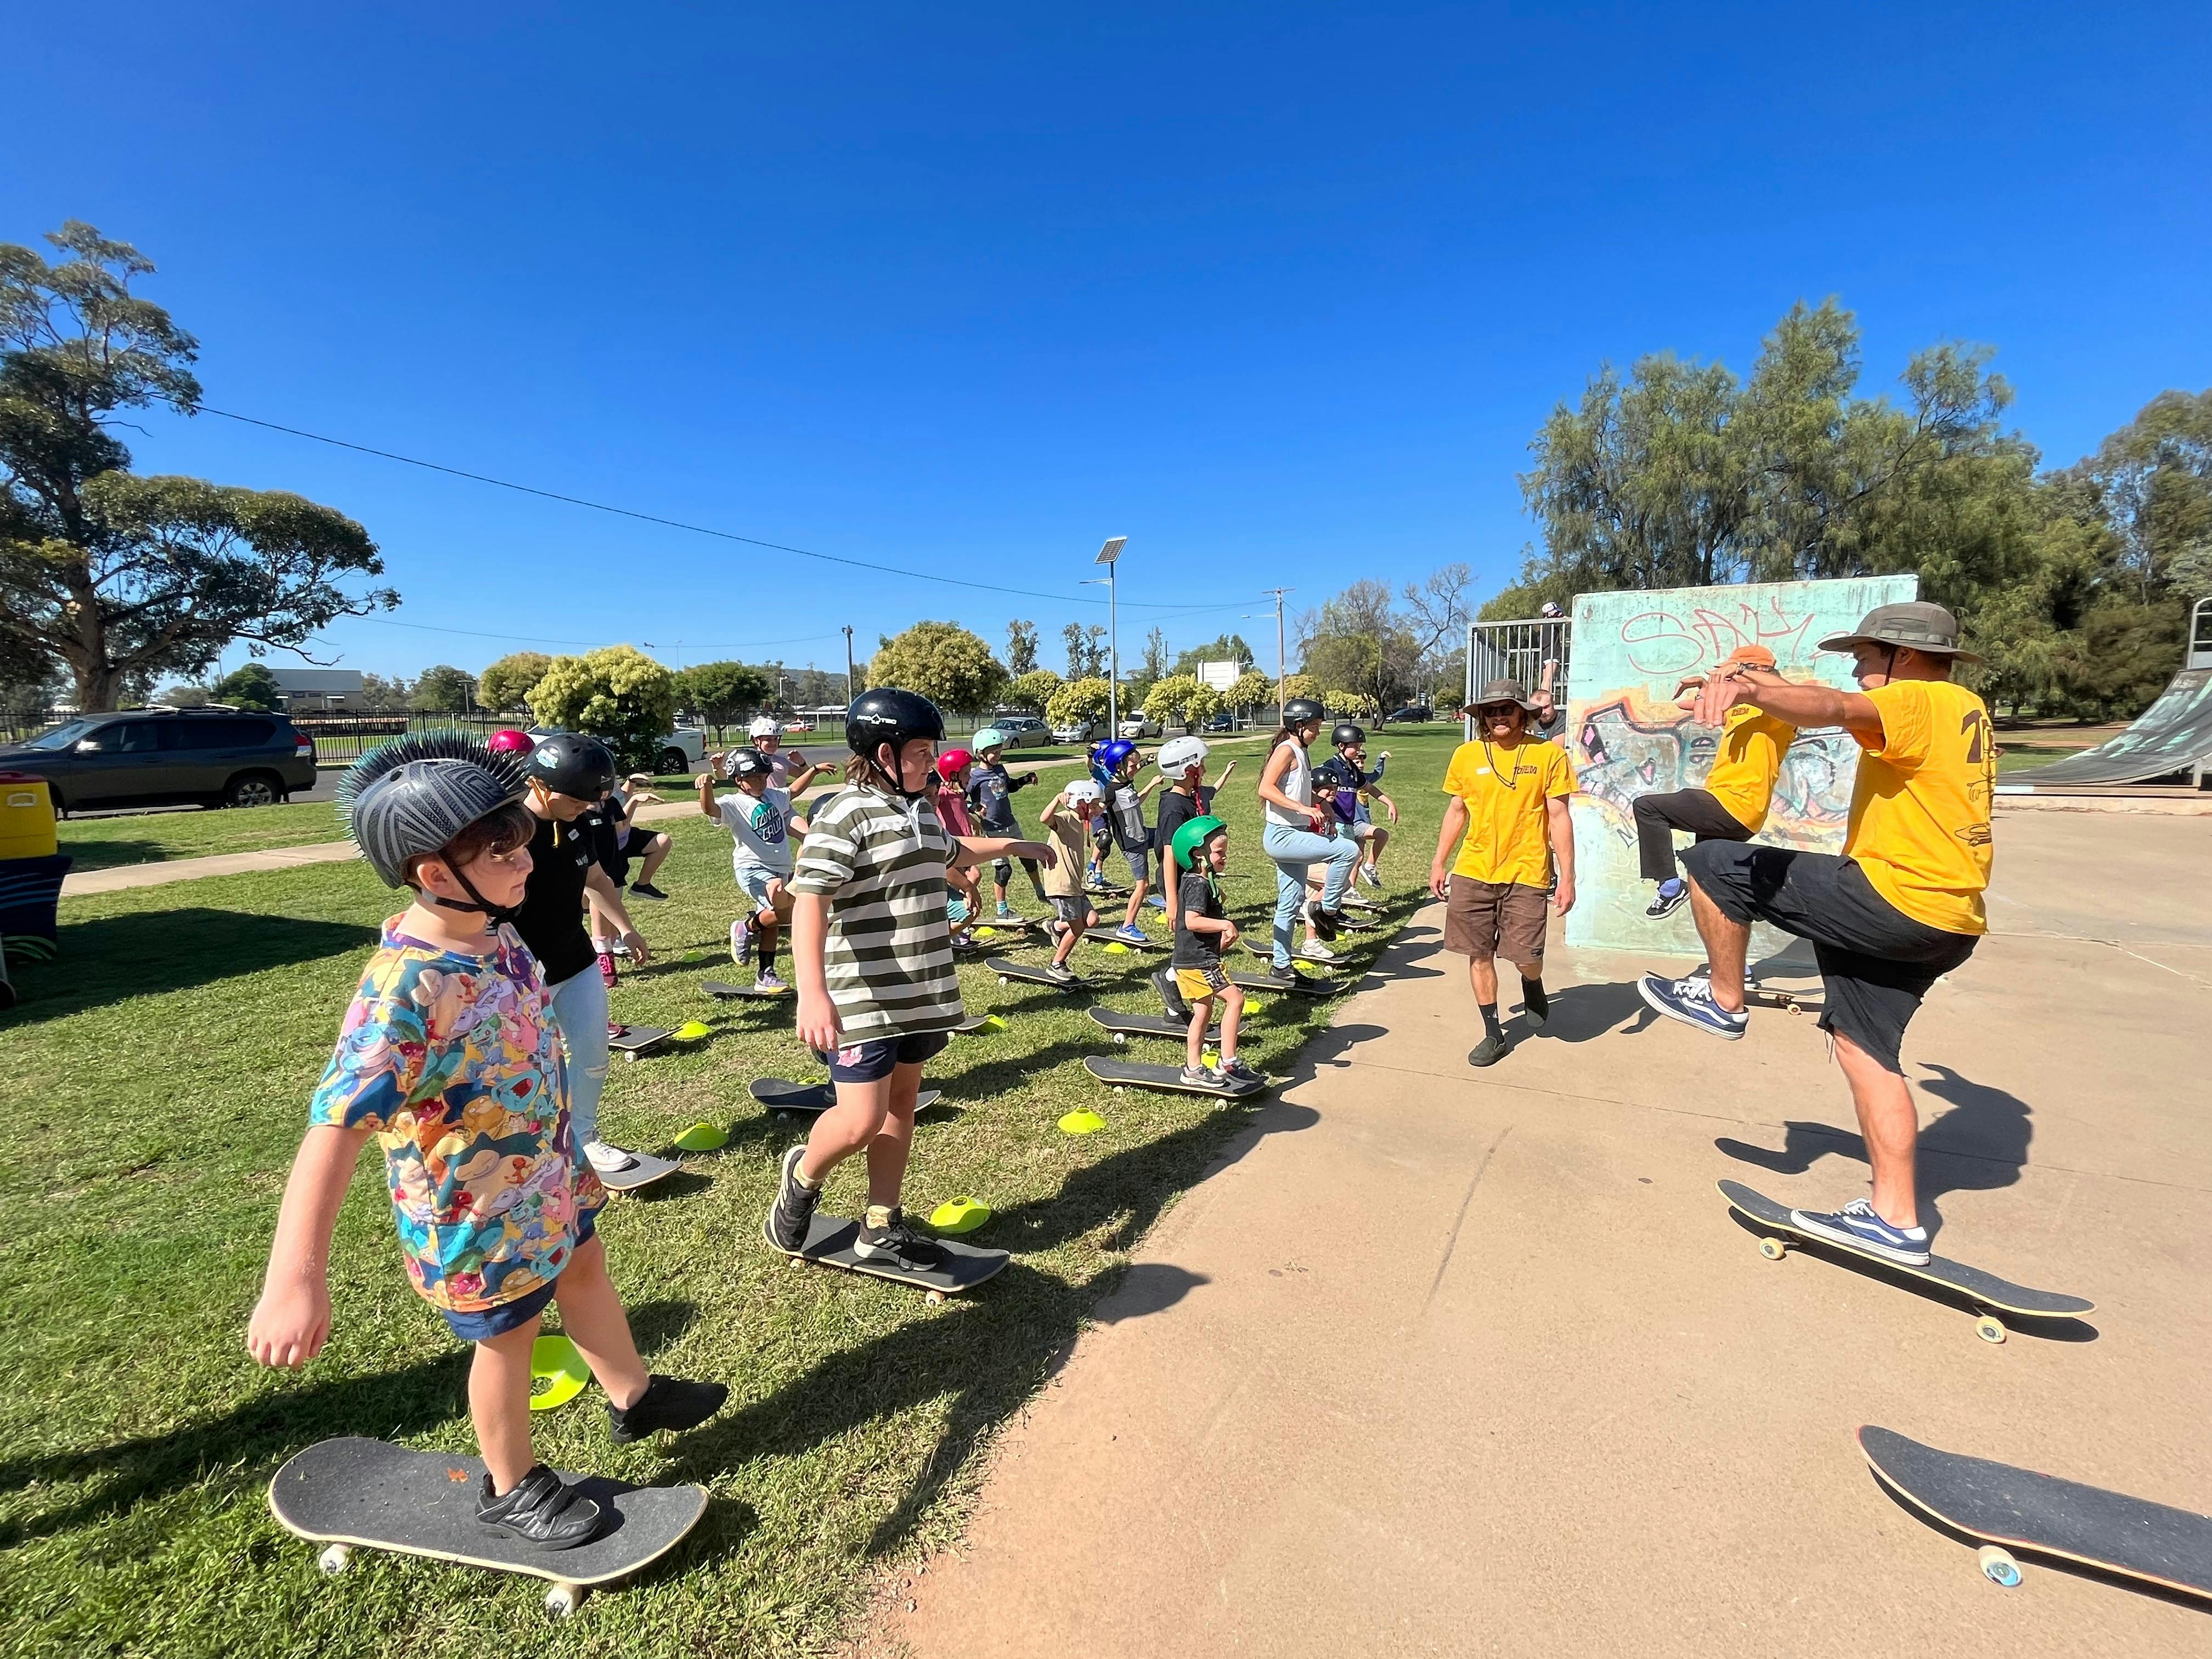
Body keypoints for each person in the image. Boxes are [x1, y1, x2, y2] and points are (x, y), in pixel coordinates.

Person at [247, 734, 725, 1549]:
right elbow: (334, 1131)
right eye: (502, 852)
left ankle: (634, 1397)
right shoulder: (404, 991)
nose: (526, 861)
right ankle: (511, 1486)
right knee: (509, 1338)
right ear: (436, 875)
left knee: (585, 1268)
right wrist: (294, 1283)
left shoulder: (499, 935)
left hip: (546, 1175)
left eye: (522, 842)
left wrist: (566, 1157)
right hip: (474, 1214)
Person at [1636, 602, 1995, 1268]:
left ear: (1904, 656)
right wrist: (1746, 682)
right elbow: (1822, 698)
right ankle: (1895, 1220)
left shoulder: (1916, 699)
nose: (1857, 669)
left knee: (1715, 862)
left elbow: (1829, 706)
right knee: (1864, 1050)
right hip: (1948, 921)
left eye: (1865, 656)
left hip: (1895, 898)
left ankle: (1724, 998)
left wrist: (1748, 688)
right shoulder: (1964, 709)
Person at [768, 689, 1059, 1271]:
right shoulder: (844, 813)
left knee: (901, 1104)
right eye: (922, 752)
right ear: (885, 753)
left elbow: (951, 851)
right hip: (861, 995)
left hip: (920, 990)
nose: (933, 762)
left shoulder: (920, 808)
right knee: (859, 1121)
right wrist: (813, 993)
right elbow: (810, 901)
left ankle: (881, 1223)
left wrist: (1015, 845)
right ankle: (803, 1176)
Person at [510, 734, 656, 1182]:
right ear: (537, 785)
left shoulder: (576, 824)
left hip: (576, 962)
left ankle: (584, 1138)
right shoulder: (505, 834)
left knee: (593, 1056)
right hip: (522, 977)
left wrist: (626, 928)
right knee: (529, 1069)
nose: (587, 807)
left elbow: (597, 879)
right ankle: (531, 1151)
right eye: (576, 799)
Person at [1429, 679, 1577, 1067]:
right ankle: (1494, 1033)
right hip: (1473, 869)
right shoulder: (1466, 755)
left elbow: (1559, 817)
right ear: (1482, 717)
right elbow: (1457, 811)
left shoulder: (1548, 755)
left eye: (1507, 709)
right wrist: (1439, 862)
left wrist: (1568, 877)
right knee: (1478, 954)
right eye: (1491, 711)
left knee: (1526, 956)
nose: (1499, 716)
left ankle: (1532, 981)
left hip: (1527, 872)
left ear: (1522, 714)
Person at [1634, 645, 1797, 918]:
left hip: (1737, 804)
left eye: (1732, 673)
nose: (1729, 679)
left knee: (1648, 807)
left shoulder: (1778, 710)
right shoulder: (1742, 708)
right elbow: (1696, 707)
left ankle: (1670, 886)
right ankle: (1738, 939)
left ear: (1759, 671)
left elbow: (1790, 693)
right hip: (1724, 802)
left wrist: (1743, 671)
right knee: (1710, 888)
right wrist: (1706, 688)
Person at [698, 746, 825, 991]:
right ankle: (745, 928)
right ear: (739, 780)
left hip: (779, 867)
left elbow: (793, 791)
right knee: (779, 904)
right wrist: (706, 788)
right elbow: (710, 809)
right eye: (755, 778)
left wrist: (814, 770)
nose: (761, 782)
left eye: (764, 777)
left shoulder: (773, 796)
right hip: (753, 867)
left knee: (775, 920)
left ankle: (765, 975)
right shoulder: (733, 803)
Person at [1255, 697, 1364, 981]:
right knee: (1348, 850)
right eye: (1314, 727)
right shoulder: (1287, 750)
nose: (1318, 732)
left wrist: (1321, 805)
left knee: (1290, 902)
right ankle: (1326, 910)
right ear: (1299, 725)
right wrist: (1302, 809)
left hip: (1296, 834)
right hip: (1282, 836)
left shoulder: (1301, 751)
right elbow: (1266, 788)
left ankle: (1281, 965)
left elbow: (1298, 789)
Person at [1167, 815, 1260, 1091]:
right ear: (1198, 854)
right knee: (1235, 999)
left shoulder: (1199, 880)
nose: (1224, 857)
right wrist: (1225, 924)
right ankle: (1228, 1062)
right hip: (1199, 962)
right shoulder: (1198, 884)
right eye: (1219, 852)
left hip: (1191, 959)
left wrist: (1220, 942)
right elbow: (1192, 921)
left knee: (1203, 1013)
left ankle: (1193, 1068)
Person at [1152, 735, 1237, 926]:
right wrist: (1172, 902)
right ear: (1188, 771)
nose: (1205, 770)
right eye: (1202, 765)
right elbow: (1169, 854)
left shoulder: (1191, 797)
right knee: (1191, 928)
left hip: (1194, 875)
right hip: (1180, 879)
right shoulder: (1173, 808)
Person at [966, 726, 1048, 918]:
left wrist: (1025, 780)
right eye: (994, 752)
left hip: (1011, 824)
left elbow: (1009, 786)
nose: (998, 755)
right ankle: (1001, 910)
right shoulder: (975, 777)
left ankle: (1040, 892)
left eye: (1000, 751)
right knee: (1004, 870)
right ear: (980, 753)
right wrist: (974, 807)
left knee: (1029, 859)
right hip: (992, 830)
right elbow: (961, 800)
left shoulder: (1000, 769)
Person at [1314, 723, 1400, 891]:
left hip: (1349, 823)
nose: (1359, 750)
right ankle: (1326, 896)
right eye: (1356, 747)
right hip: (1337, 823)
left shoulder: (1352, 769)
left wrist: (1389, 802)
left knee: (1354, 857)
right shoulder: (1331, 766)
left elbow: (1369, 788)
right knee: (1342, 861)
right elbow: (1315, 783)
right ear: (1341, 746)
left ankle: (1347, 891)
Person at [1036, 778, 1105, 983]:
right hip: (1062, 886)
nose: (1096, 810)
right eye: (1093, 806)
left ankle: (1056, 927)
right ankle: (1057, 964)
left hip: (1075, 886)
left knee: (1092, 920)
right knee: (1077, 928)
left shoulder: (1080, 820)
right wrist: (1058, 799)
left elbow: (1103, 806)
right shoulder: (1066, 818)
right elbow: (1044, 818)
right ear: (1080, 803)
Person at [1096, 738, 1164, 943]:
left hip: (1142, 834)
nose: (1136, 769)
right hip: (1132, 844)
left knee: (1170, 843)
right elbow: (1099, 810)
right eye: (1132, 766)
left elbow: (1136, 793)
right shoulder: (1111, 791)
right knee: (1143, 885)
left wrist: (1146, 764)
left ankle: (1168, 896)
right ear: (1119, 767)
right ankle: (1127, 927)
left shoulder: (1125, 781)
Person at [932, 747, 985, 946]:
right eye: (966, 773)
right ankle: (956, 931)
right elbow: (933, 801)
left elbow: (960, 811)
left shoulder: (960, 794)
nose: (969, 776)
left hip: (964, 847)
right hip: (952, 848)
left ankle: (960, 923)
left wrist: (972, 820)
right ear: (953, 775)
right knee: (971, 877)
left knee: (975, 875)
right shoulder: (943, 793)